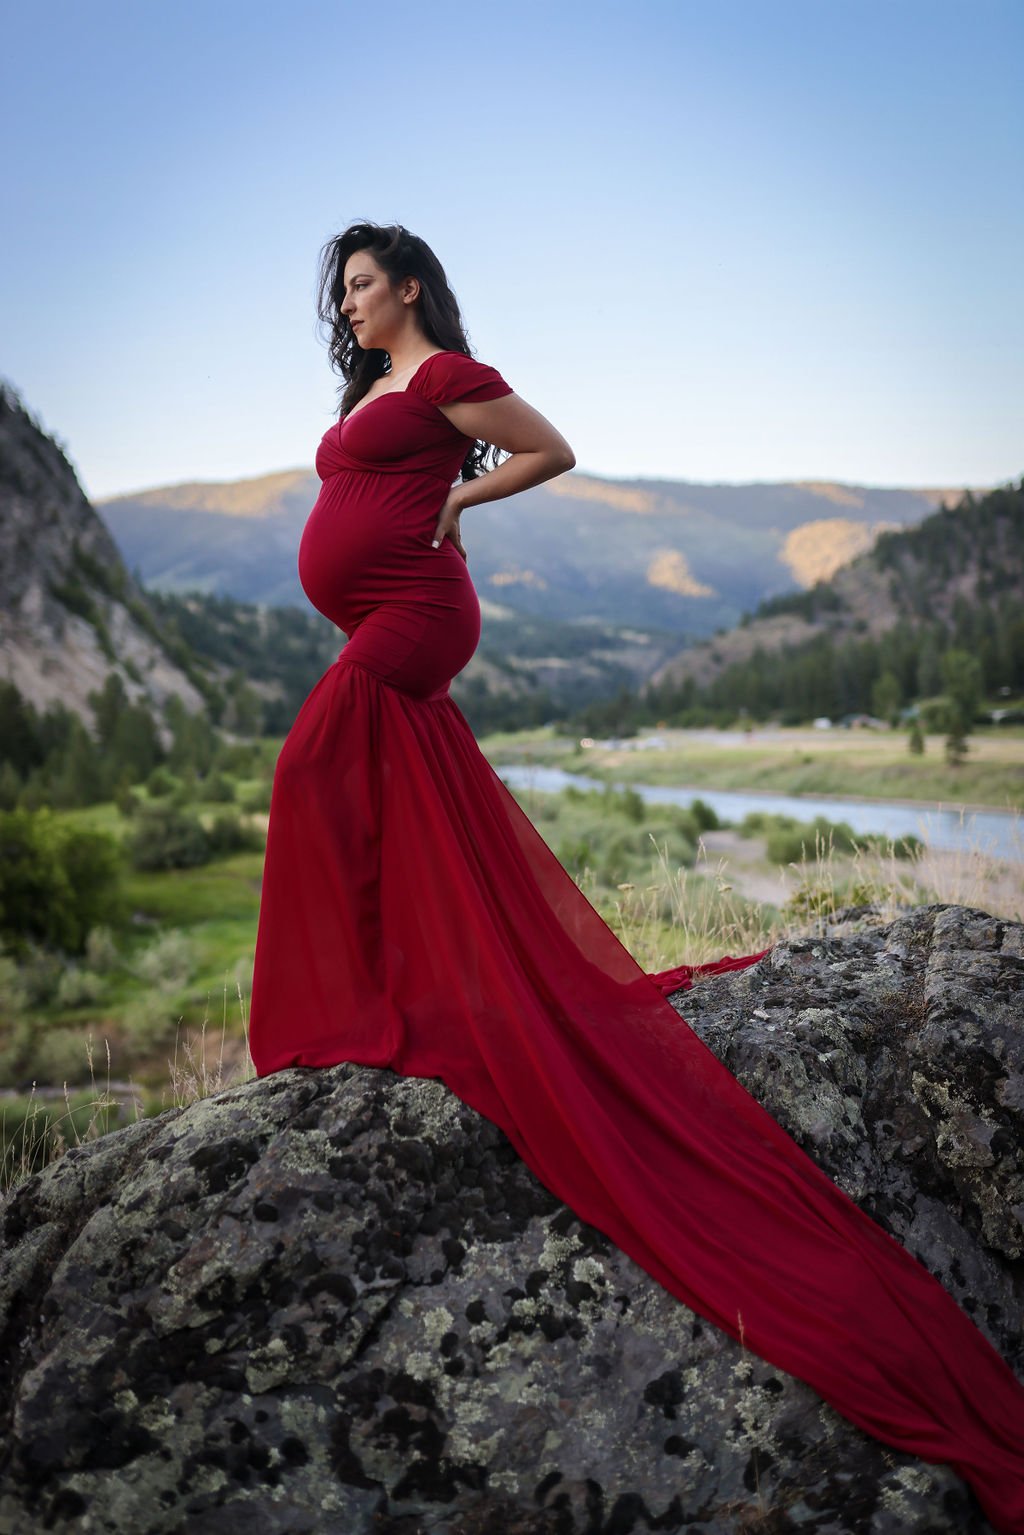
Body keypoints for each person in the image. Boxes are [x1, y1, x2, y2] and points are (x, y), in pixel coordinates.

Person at [246, 221, 1024, 1532]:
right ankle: (385, 996)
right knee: (369, 794)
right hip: (390, 604)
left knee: (309, 768)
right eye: (341, 288)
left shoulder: (443, 377)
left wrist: (454, 503)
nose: (348, 301)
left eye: (365, 282)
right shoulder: (374, 391)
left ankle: (353, 1007)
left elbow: (550, 448)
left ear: (412, 287)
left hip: (417, 608)